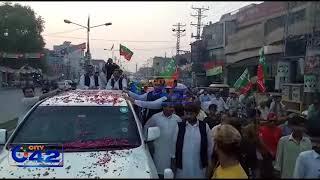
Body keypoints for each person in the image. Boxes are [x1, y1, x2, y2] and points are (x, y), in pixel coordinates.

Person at [173, 103, 213, 178]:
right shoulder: (179, 126)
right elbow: (173, 146)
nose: (188, 116)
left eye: (191, 114)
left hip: (199, 166)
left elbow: (210, 147)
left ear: (196, 114)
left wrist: (209, 164)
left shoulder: (204, 126)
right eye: (186, 113)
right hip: (183, 166)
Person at [144, 101, 182, 178]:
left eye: (172, 107)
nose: (172, 109)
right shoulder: (155, 117)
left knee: (171, 172)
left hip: (173, 149)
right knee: (158, 170)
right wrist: (149, 142)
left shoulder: (177, 119)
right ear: (164, 107)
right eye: (169, 107)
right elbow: (146, 128)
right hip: (159, 148)